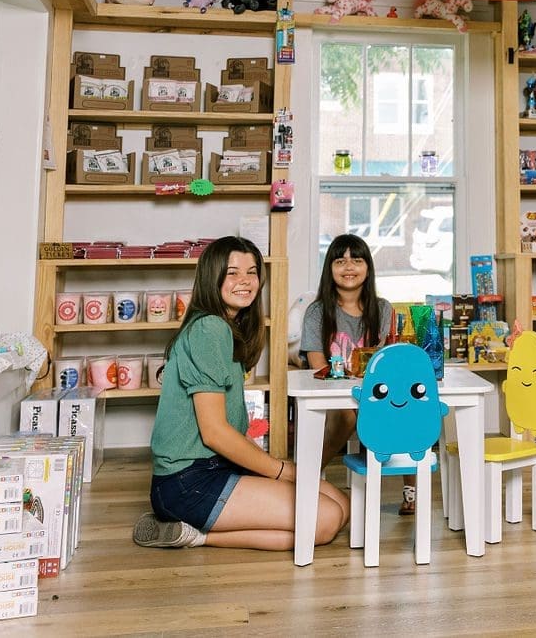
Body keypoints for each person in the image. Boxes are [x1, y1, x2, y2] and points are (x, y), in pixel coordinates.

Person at [134, 236, 348, 550]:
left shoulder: (224, 328)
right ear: (213, 277)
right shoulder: (210, 329)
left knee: (340, 505)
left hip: (212, 470)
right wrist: (281, 470)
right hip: (189, 482)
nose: (245, 281)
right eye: (232, 272)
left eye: (252, 272)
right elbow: (215, 434)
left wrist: (275, 470)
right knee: (326, 519)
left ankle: (192, 528)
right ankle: (195, 534)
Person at [300, 235, 416, 515]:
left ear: (368, 267)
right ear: (330, 268)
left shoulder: (383, 308)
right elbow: (317, 364)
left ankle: (411, 489)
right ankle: (306, 476)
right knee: (350, 413)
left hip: (378, 392)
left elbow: (391, 359)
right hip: (335, 392)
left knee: (407, 409)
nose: (348, 267)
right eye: (340, 261)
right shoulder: (317, 312)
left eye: (357, 260)